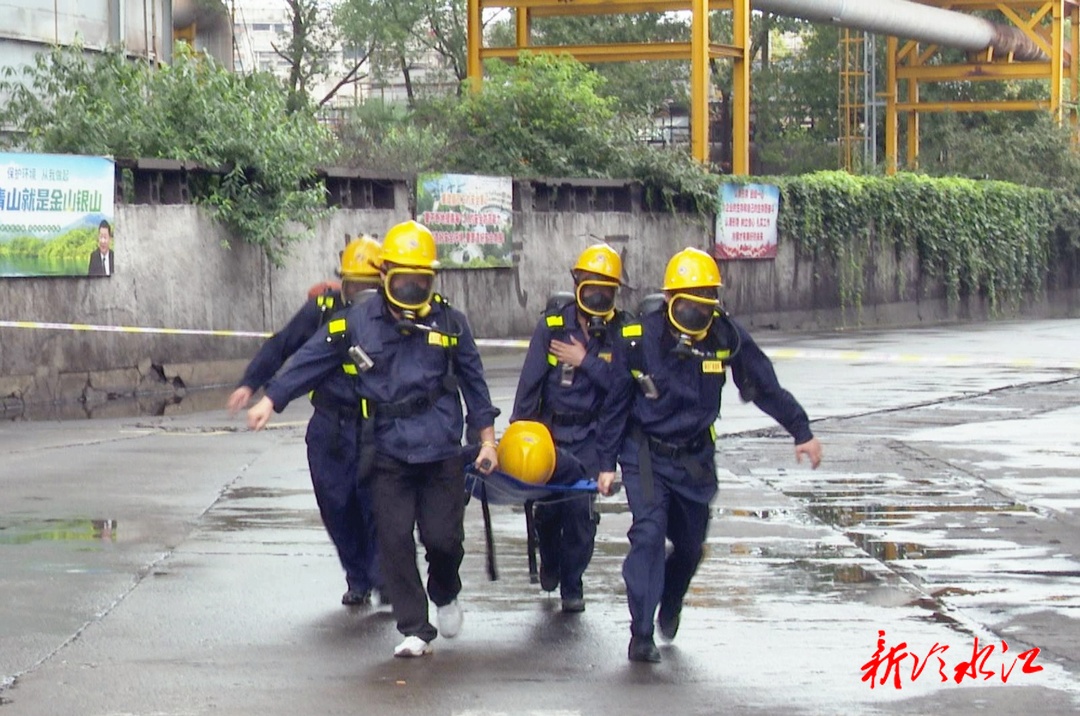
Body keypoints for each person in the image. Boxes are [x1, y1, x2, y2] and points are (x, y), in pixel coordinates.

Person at [246, 220, 500, 659]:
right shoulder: (355, 322)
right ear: (385, 277)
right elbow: (309, 357)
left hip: (441, 449)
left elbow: (475, 384)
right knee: (394, 536)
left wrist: (488, 441)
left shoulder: (450, 322)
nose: (413, 286)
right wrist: (272, 398)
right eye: (404, 278)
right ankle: (415, 627)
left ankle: (446, 591)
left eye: (422, 278)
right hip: (386, 448)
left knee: (443, 539)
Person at [604, 247, 823, 664]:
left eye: (705, 307)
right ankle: (641, 632)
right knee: (648, 535)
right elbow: (615, 401)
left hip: (694, 458)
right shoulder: (639, 337)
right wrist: (604, 462)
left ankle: (672, 596)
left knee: (689, 547)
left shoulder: (724, 336)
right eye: (688, 306)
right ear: (670, 301)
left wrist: (801, 430)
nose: (696, 317)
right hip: (645, 453)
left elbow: (762, 384)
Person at [227, 235, 384, 607]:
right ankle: (358, 578)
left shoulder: (389, 316)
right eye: (354, 283)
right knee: (336, 503)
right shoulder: (323, 309)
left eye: (368, 286)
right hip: (330, 425)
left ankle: (383, 577)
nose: (360, 291)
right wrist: (252, 383)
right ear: (342, 281)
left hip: (375, 426)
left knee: (377, 505)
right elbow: (285, 347)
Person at [510, 243, 627, 613]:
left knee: (579, 514)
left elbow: (624, 387)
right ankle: (550, 560)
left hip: (593, 438)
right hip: (552, 436)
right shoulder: (553, 327)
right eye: (590, 284)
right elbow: (530, 383)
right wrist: (519, 434)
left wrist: (586, 360)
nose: (596, 293)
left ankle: (573, 581)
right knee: (549, 509)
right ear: (577, 283)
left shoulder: (623, 332)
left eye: (605, 288)